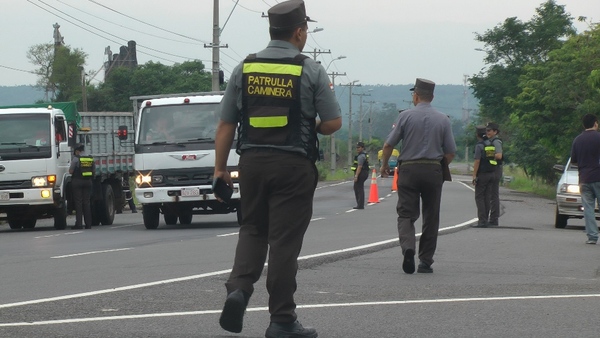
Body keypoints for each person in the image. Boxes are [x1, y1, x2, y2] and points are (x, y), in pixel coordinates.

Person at [214, 1, 342, 337]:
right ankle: (282, 319)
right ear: (299, 32)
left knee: (252, 229)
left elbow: (226, 124)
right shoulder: (310, 69)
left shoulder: (245, 68)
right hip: (292, 166)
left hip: (252, 164)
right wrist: (311, 126)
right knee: (283, 241)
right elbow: (333, 122)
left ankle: (239, 289)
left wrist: (220, 170)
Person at [380, 78, 456, 274]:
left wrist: (384, 166)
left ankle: (408, 248)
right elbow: (450, 151)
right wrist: (439, 167)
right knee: (431, 216)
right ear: (432, 97)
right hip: (433, 170)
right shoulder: (443, 119)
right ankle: (425, 261)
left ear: (415, 96)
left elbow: (389, 145)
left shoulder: (405, 117)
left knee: (406, 214)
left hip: (409, 170)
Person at [570, 113, 600, 244]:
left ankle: (592, 237)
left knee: (588, 208)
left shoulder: (577, 140)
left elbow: (574, 160)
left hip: (584, 178)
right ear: (595, 123)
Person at [472, 125, 496, 227]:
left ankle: (482, 220)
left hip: (482, 174)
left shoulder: (479, 145)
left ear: (477, 135)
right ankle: (486, 219)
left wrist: (474, 175)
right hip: (491, 173)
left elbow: (477, 161)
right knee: (487, 197)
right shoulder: (490, 144)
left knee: (479, 197)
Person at [69, 143, 95, 230]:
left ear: (77, 151)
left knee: (78, 203)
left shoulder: (76, 159)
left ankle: (79, 224)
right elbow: (94, 171)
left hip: (77, 182)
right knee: (86, 203)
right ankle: (88, 224)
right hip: (88, 182)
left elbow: (71, 171)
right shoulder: (90, 158)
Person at [485, 122, 503, 226]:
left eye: (489, 131)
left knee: (493, 195)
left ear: (495, 132)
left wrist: (488, 155)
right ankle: (492, 218)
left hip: (496, 169)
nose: (487, 132)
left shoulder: (496, 142)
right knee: (491, 194)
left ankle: (494, 218)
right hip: (492, 169)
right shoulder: (489, 141)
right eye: (486, 130)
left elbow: (499, 155)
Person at [351, 141, 369, 209]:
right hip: (364, 172)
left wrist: (356, 176)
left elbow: (359, 166)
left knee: (359, 188)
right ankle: (359, 204)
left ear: (362, 148)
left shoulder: (361, 156)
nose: (357, 149)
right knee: (357, 187)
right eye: (357, 148)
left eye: (359, 147)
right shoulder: (362, 155)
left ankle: (360, 205)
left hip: (362, 173)